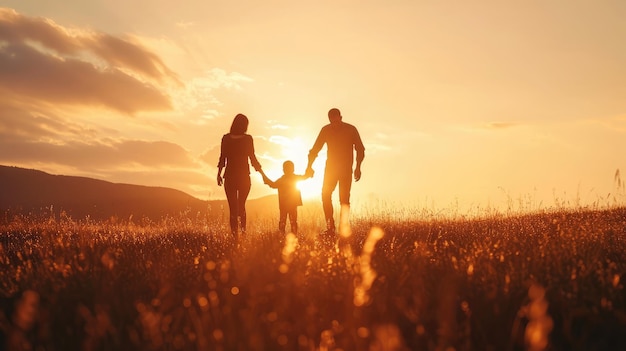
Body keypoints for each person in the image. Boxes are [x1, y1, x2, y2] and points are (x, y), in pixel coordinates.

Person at [306, 108, 365, 235]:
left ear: (341, 117)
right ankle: (330, 227)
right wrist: (309, 166)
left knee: (344, 199)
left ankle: (344, 227)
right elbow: (315, 149)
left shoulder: (351, 129)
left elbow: (360, 149)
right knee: (325, 195)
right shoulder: (325, 130)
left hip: (345, 170)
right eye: (332, 122)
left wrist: (358, 167)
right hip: (331, 169)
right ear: (329, 120)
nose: (335, 124)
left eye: (336, 120)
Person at [217, 113, 262, 239]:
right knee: (241, 206)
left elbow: (222, 158)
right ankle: (243, 234)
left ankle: (235, 236)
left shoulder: (226, 138)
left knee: (233, 208)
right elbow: (252, 158)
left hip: (230, 176)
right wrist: (263, 174)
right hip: (243, 177)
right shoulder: (248, 139)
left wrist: (219, 174)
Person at [260, 161, 313, 235]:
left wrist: (262, 174)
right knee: (292, 221)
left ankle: (284, 237)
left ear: (283, 170)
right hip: (291, 204)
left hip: (284, 204)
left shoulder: (282, 180)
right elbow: (305, 176)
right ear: (293, 169)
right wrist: (310, 169)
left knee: (283, 221)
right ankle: (293, 238)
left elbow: (272, 184)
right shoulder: (294, 178)